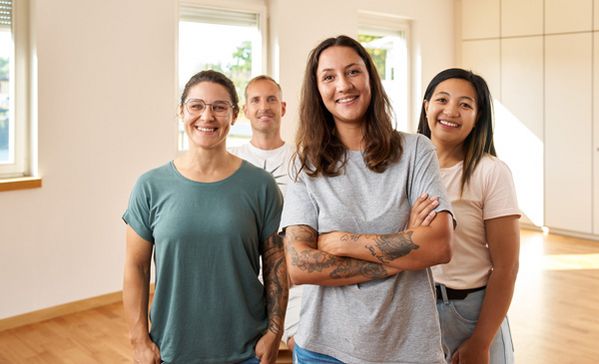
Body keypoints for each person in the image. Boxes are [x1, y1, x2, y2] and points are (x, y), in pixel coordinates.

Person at [279, 35, 455, 364]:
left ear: (370, 78)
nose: (343, 85)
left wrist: (342, 241)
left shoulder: (416, 151)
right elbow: (300, 265)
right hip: (324, 350)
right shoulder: (306, 164)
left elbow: (439, 245)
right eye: (329, 77)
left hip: (410, 349)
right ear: (317, 91)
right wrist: (401, 250)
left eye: (353, 72)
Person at [122, 70, 288, 364]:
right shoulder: (150, 186)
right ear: (181, 111)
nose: (207, 116)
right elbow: (136, 267)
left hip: (247, 350)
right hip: (172, 350)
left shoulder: (261, 186)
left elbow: (276, 266)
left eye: (219, 107)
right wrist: (139, 340)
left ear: (234, 115)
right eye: (196, 105)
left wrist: (274, 333)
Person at [416, 68, 520, 364]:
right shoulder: (404, 167)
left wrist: (481, 341)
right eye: (442, 99)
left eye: (465, 105)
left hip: (472, 313)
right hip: (415, 309)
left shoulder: (491, 172)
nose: (451, 111)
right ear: (426, 107)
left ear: (478, 118)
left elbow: (506, 267)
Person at [228, 75, 302, 352]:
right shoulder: (229, 159)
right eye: (256, 100)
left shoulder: (303, 159)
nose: (264, 107)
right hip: (242, 282)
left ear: (282, 107)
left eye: (271, 99)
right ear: (245, 110)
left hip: (294, 281)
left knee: (304, 343)